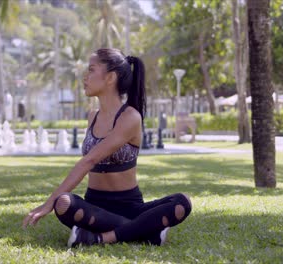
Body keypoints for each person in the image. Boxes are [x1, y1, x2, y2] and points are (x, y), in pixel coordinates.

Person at [22, 48, 192, 247]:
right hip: (95, 206)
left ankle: (102, 237)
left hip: (129, 206)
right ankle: (146, 232)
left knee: (183, 202)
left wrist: (47, 203)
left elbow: (90, 160)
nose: (85, 77)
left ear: (110, 77)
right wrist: (55, 202)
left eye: (91, 70)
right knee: (64, 203)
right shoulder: (92, 116)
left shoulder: (130, 117)